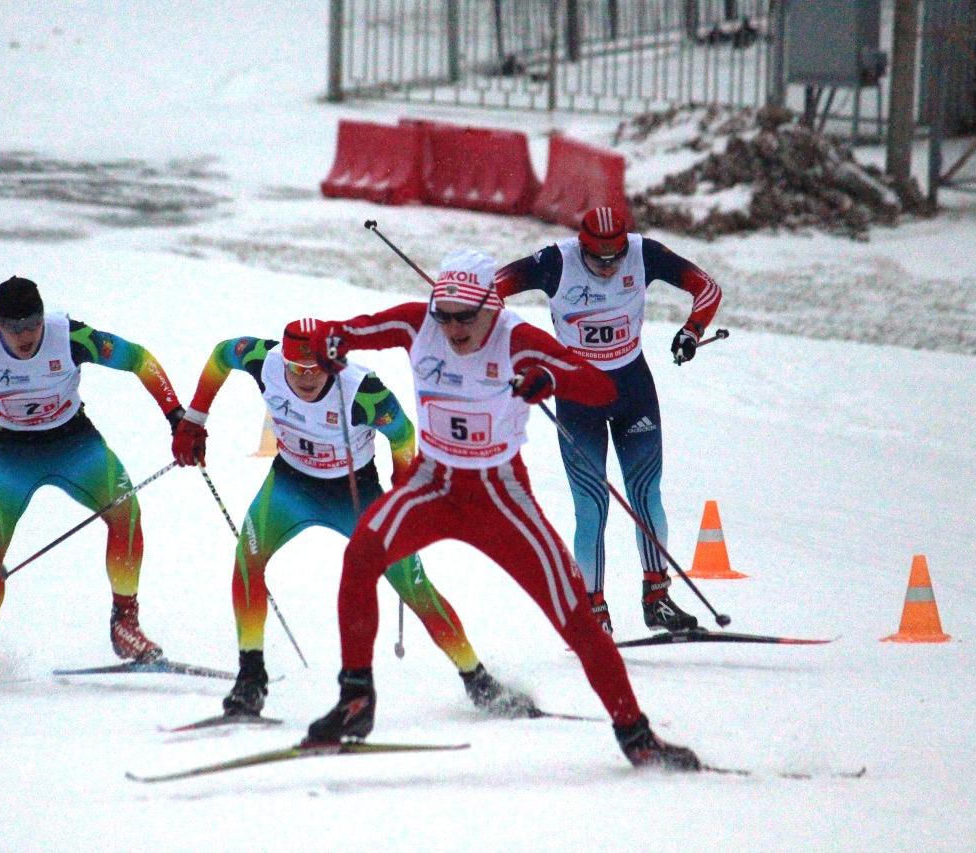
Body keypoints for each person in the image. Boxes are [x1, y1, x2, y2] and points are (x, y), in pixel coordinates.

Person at [300, 249, 700, 770]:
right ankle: (356, 700)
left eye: (464, 316)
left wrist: (549, 380)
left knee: (575, 617)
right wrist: (328, 343)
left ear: (491, 305)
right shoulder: (418, 323)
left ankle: (637, 735)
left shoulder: (517, 340)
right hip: (432, 484)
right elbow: (344, 332)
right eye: (444, 314)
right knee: (361, 555)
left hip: (500, 498)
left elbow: (600, 387)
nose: (452, 328)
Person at [172, 319, 535, 719]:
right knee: (248, 559)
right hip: (290, 485)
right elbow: (222, 354)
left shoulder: (364, 391)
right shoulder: (263, 360)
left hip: (355, 496)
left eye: (315, 369)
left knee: (415, 588)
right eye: (297, 369)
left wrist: (403, 479)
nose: (306, 379)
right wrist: (193, 421)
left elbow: (402, 432)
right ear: (284, 361)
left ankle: (478, 681)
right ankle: (250, 678)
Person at [0, 276, 187, 684]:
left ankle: (125, 625)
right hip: (12, 454)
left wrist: (175, 415)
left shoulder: (69, 336)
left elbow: (139, 360)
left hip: (74, 443)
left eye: (32, 325)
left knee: (126, 514)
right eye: (14, 327)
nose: (25, 336)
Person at [493, 206, 722, 634]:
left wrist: (692, 331)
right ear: (582, 247)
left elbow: (707, 288)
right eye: (597, 261)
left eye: (615, 259)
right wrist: (507, 346)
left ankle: (657, 599)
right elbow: (490, 293)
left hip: (633, 390)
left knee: (646, 494)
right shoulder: (555, 261)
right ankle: (593, 612)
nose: (608, 269)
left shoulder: (643, 253)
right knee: (591, 508)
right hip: (577, 397)